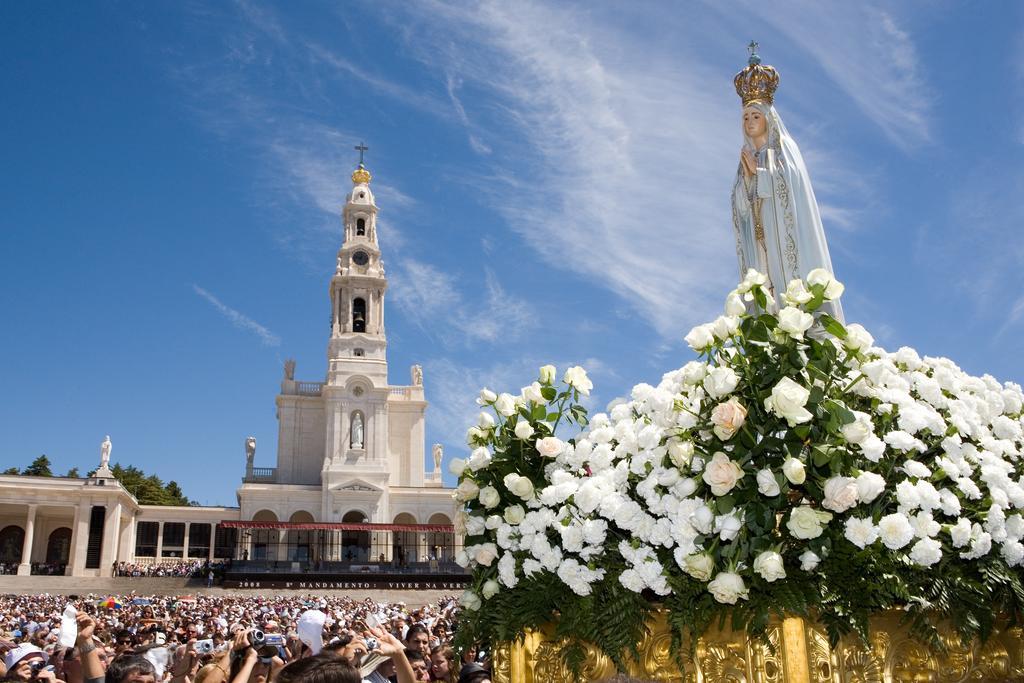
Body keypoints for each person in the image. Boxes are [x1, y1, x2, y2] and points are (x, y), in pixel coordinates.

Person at [731, 44, 844, 323]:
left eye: (756, 115)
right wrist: (747, 182)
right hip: (760, 245)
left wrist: (761, 176)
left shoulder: (784, 149)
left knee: (791, 299)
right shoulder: (746, 157)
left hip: (785, 242)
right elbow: (740, 208)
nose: (749, 122)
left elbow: (792, 187)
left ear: (768, 119)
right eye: (745, 117)